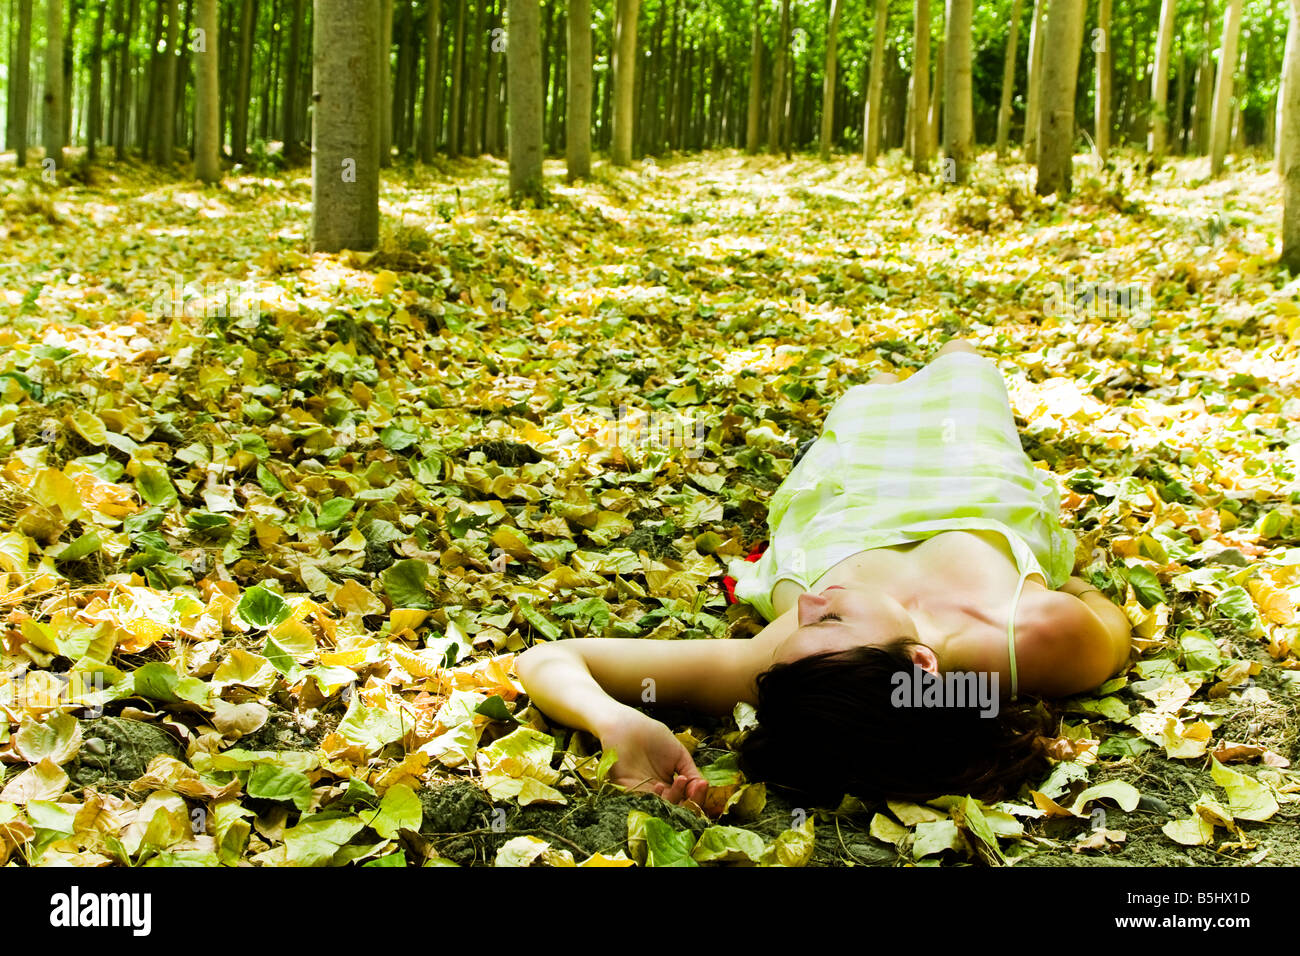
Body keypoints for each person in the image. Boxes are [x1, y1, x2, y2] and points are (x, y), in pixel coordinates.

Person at [515, 338, 1132, 810]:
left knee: (874, 387)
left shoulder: (791, 668)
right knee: (963, 358)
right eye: (830, 618)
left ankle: (897, 374)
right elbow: (1108, 615)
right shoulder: (1036, 637)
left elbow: (550, 659)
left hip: (852, 465)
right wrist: (1065, 583)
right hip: (967, 457)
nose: (807, 605)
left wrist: (618, 719)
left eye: (813, 621)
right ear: (920, 664)